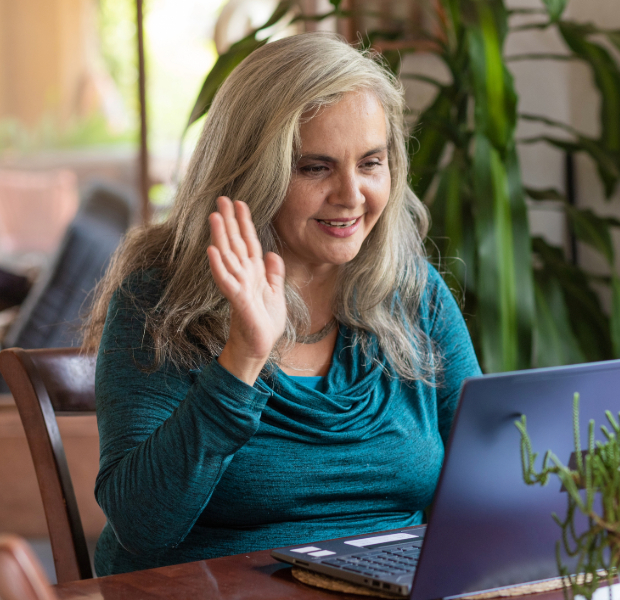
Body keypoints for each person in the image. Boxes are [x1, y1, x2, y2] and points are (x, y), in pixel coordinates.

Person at [82, 32, 481, 576]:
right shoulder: (158, 299)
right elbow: (143, 527)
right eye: (314, 167)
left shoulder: (413, 293)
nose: (351, 195)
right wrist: (241, 359)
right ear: (250, 171)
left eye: (370, 162)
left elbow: (486, 476)